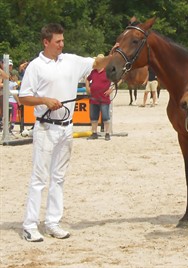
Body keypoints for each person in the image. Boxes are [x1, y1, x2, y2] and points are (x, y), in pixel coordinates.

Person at [18, 23, 114, 242]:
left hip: (66, 128)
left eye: (62, 40)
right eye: (57, 41)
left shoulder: (71, 60)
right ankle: (30, 225)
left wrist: (114, 52)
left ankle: (52, 222)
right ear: (46, 42)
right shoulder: (35, 66)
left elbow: (97, 62)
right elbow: (23, 97)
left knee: (59, 178)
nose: (62, 44)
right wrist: (44, 100)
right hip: (45, 127)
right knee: (39, 178)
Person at [86, 54, 114, 141]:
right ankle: (94, 133)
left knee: (106, 117)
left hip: (104, 98)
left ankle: (107, 133)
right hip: (94, 98)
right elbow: (87, 79)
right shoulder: (93, 72)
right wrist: (88, 87)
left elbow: (116, 81)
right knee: (93, 117)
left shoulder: (108, 72)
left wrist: (111, 89)